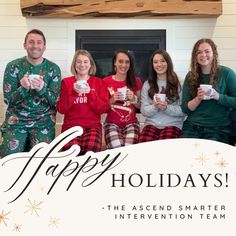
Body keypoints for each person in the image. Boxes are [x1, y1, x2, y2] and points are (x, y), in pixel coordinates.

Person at [0, 29, 61, 158]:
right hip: (16, 121)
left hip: (43, 121)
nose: (35, 46)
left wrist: (42, 89)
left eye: (39, 42)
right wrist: (22, 88)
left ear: (44, 46)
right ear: (25, 45)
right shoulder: (13, 66)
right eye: (31, 42)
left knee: (41, 159)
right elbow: (7, 100)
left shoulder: (53, 68)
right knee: (8, 158)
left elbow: (56, 101)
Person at [181, 38, 236, 144]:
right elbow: (185, 109)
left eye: (207, 51)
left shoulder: (227, 74)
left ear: (214, 53)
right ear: (195, 56)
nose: (203, 55)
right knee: (185, 155)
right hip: (192, 125)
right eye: (199, 52)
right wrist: (198, 98)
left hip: (218, 127)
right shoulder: (190, 76)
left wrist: (218, 96)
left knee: (212, 158)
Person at [57, 49, 110, 154]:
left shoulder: (99, 83)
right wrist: (73, 93)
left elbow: (103, 109)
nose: (82, 65)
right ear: (74, 64)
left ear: (90, 65)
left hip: (92, 126)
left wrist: (91, 93)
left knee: (91, 149)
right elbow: (61, 109)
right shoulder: (66, 82)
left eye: (85, 61)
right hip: (71, 126)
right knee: (70, 151)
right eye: (79, 61)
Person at [138, 49, 185, 143]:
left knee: (164, 148)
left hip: (173, 125)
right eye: (155, 62)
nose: (159, 65)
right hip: (151, 124)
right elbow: (143, 111)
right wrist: (155, 107)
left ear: (168, 63)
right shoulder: (147, 84)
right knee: (143, 146)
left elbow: (184, 111)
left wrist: (166, 108)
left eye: (162, 61)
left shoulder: (179, 83)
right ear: (152, 65)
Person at [103, 49, 142, 149]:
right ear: (114, 63)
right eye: (120, 61)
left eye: (127, 62)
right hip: (111, 123)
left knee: (129, 149)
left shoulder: (136, 81)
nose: (124, 65)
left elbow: (139, 106)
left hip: (131, 123)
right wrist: (112, 99)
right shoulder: (105, 82)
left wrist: (133, 99)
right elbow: (102, 107)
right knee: (117, 148)